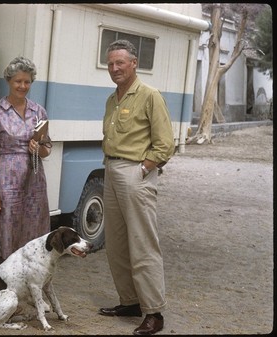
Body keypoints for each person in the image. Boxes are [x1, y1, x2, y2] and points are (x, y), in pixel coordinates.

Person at [99, 40, 175, 335]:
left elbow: (165, 143)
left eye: (120, 63)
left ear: (134, 64)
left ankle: (154, 312)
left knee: (143, 244)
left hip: (135, 173)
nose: (114, 68)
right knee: (116, 244)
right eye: (110, 64)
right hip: (111, 169)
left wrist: (144, 168)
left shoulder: (149, 95)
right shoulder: (111, 99)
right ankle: (130, 301)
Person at [0, 56, 51, 260]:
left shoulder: (39, 112)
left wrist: (38, 148)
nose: (23, 86)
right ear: (9, 81)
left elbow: (47, 148)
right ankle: (7, 281)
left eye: (27, 81)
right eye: (18, 81)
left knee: (33, 226)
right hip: (7, 178)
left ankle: (30, 278)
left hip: (34, 179)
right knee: (9, 226)